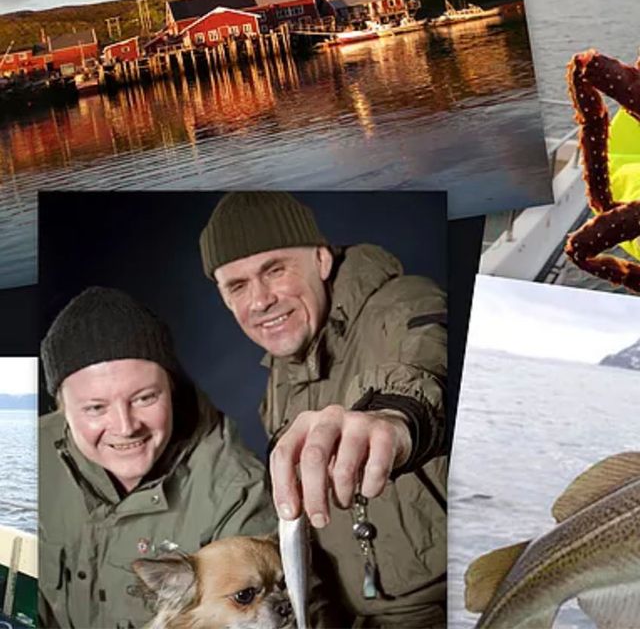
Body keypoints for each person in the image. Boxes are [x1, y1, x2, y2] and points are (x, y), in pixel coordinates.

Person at [199, 192, 448, 628]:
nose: (260, 300)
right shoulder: (278, 383)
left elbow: (423, 359)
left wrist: (393, 419)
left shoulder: (405, 302)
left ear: (321, 260)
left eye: (274, 270)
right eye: (237, 286)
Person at [38, 286, 277, 628]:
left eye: (145, 398)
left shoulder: (237, 491)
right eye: (95, 408)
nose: (125, 427)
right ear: (62, 410)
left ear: (172, 390)